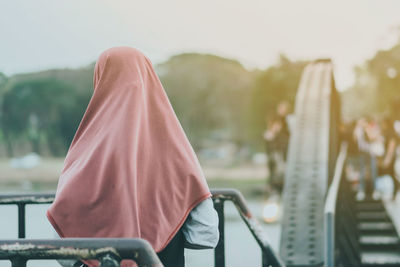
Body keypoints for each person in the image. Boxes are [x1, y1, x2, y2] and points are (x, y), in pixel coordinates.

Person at [47, 47, 219, 267]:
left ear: (99, 81)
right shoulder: (178, 150)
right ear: (150, 79)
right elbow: (205, 235)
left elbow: (61, 247)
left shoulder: (84, 152)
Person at [263, 101, 291, 194]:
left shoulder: (286, 122)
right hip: (277, 152)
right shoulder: (276, 120)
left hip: (282, 152)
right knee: (276, 169)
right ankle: (274, 187)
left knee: (280, 169)